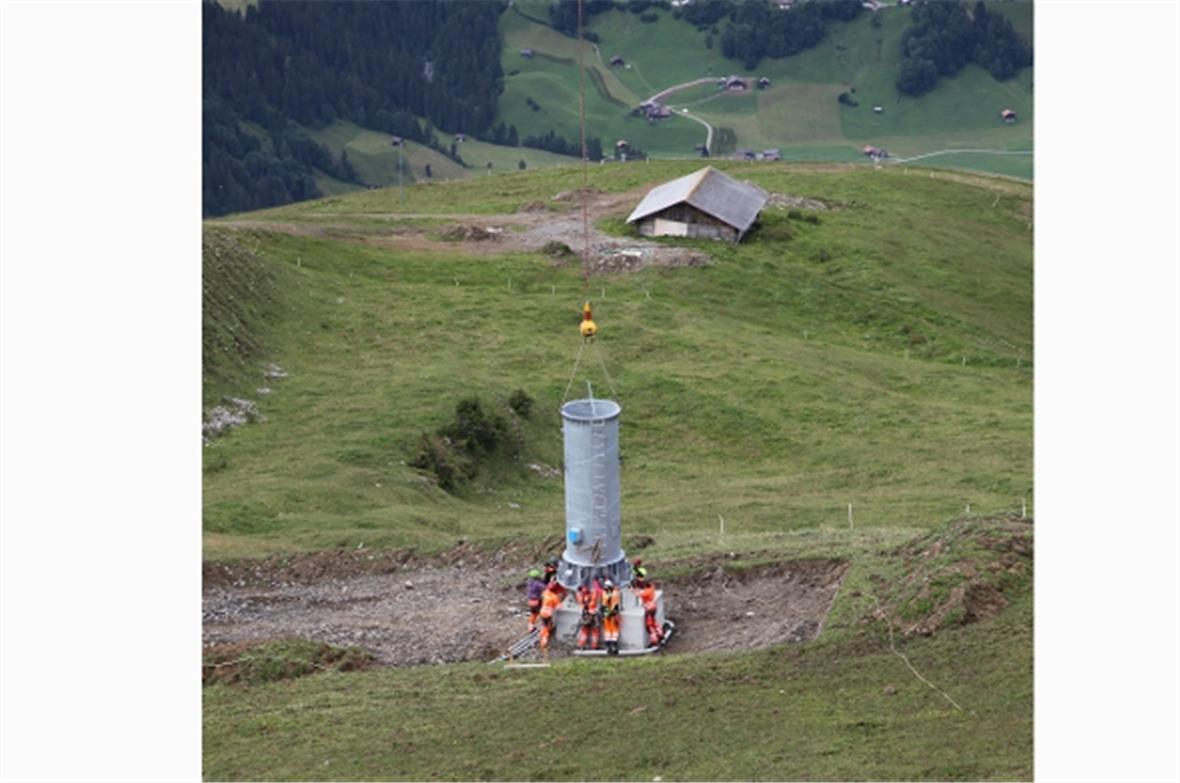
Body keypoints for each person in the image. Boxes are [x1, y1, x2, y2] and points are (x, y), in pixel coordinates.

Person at [632, 575, 662, 647]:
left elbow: (638, 594)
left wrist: (633, 590)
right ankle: (660, 633)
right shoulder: (651, 588)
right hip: (653, 606)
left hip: (648, 608)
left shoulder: (646, 592)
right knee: (653, 621)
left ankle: (654, 639)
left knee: (649, 625)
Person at [538, 580, 564, 656]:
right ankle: (544, 641)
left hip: (542, 611)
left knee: (546, 624)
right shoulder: (554, 597)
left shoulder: (545, 592)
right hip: (548, 614)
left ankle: (545, 631)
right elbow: (559, 607)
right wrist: (560, 601)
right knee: (546, 627)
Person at [575, 578, 603, 650]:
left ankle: (581, 644)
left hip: (585, 615)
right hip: (594, 614)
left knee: (585, 630)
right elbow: (598, 593)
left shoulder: (580, 594)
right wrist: (596, 583)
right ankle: (594, 646)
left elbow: (580, 601)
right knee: (595, 631)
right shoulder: (593, 593)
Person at [600, 578, 622, 655]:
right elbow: (604, 605)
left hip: (612, 615)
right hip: (609, 615)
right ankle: (610, 646)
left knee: (612, 631)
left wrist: (606, 613)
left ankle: (612, 646)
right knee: (609, 631)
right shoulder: (610, 593)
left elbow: (614, 605)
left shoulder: (611, 594)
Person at [525, 568, 545, 633]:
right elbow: (545, 588)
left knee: (533, 614)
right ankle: (544, 627)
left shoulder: (529, 582)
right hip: (537, 601)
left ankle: (530, 627)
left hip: (530, 601)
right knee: (543, 614)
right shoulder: (537, 584)